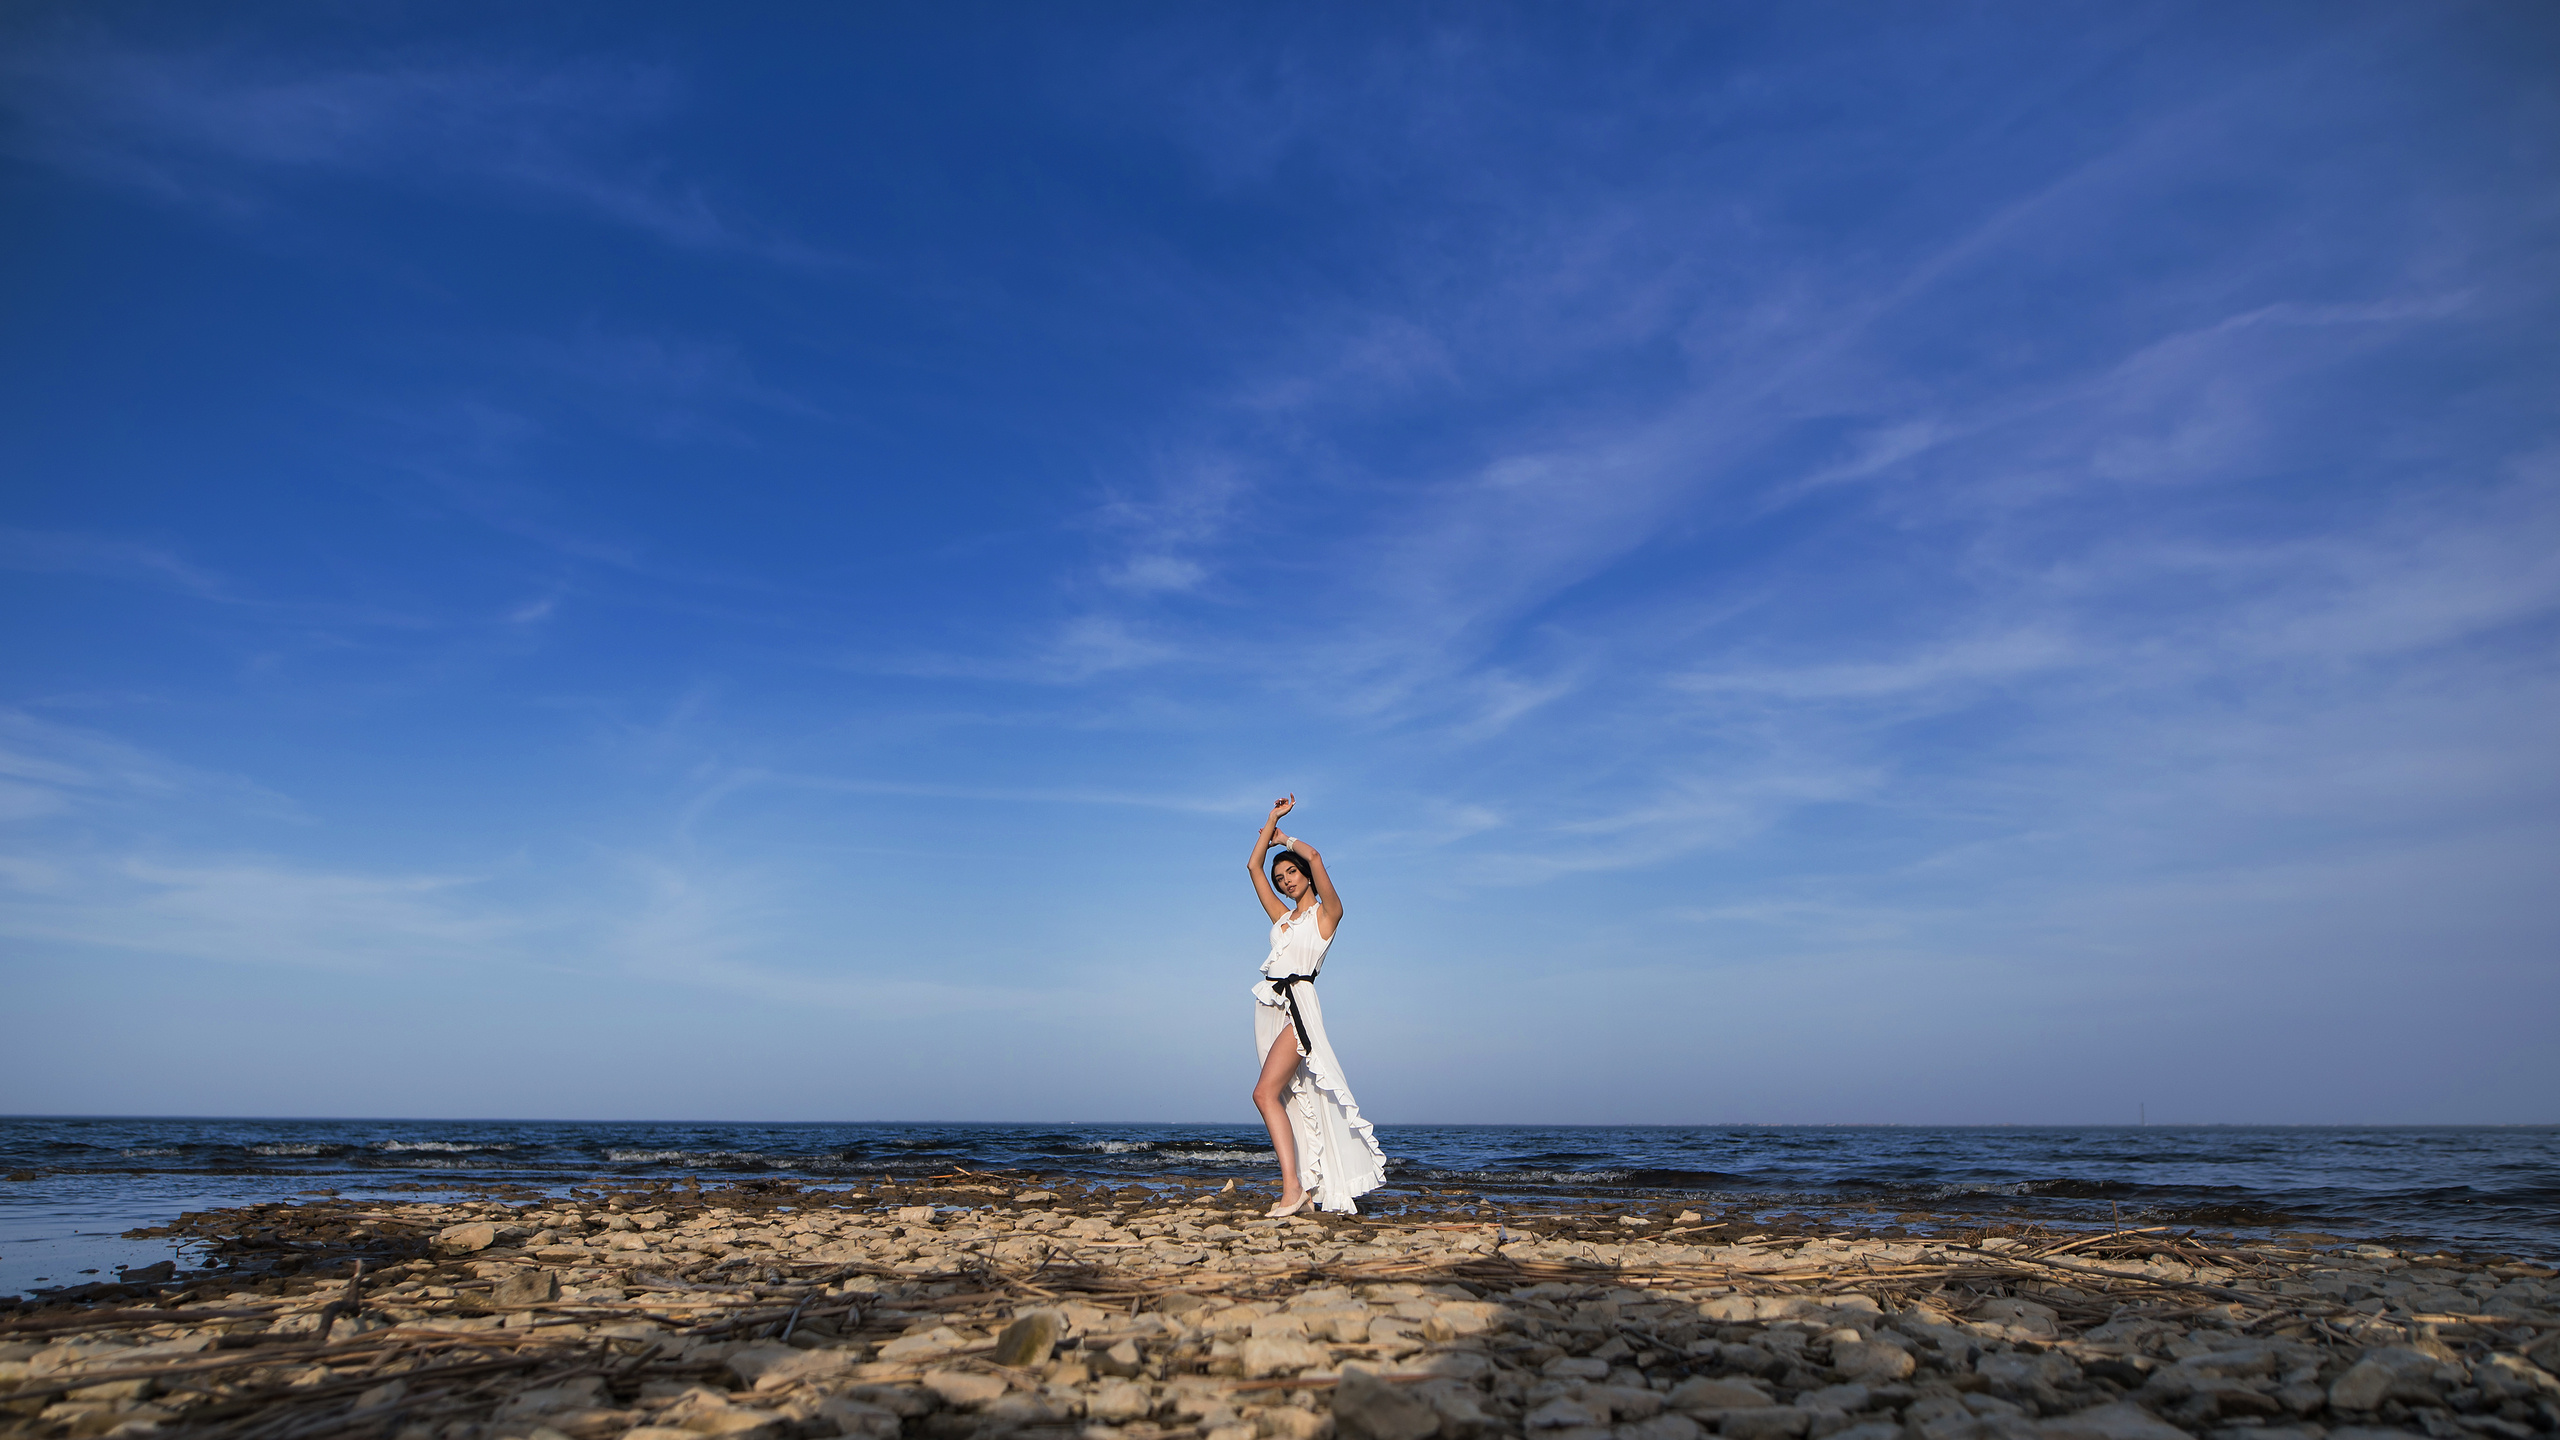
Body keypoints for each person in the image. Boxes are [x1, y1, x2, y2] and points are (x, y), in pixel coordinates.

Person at [1246, 794, 1387, 1216]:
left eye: (1291, 872)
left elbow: (1318, 856)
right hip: (1268, 1005)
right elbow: (1252, 868)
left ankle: (1293, 1188)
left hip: (1298, 1006)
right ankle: (1303, 1189)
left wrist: (1285, 837)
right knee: (1286, 1097)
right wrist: (1268, 822)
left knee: (1263, 1093)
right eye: (1281, 878)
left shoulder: (1327, 915)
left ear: (1305, 875)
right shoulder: (1282, 919)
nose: (1286, 880)